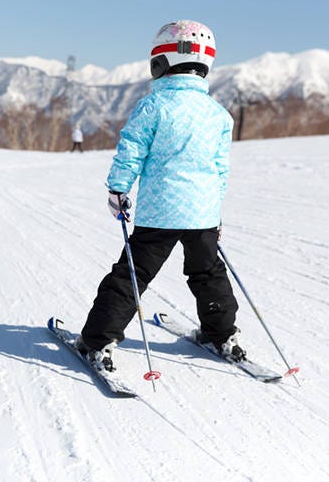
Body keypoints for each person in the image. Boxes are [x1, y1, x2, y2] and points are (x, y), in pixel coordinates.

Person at [77, 20, 242, 372]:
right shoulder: (219, 115)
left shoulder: (153, 106)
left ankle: (97, 341)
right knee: (209, 273)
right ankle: (221, 333)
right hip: (202, 215)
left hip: (160, 213)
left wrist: (118, 189)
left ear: (161, 61)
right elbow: (219, 170)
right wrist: (216, 214)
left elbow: (131, 151)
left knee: (132, 275)